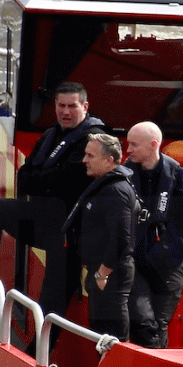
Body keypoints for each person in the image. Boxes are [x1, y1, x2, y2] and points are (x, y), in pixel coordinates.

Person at [0, 82, 104, 322]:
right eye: (61, 106)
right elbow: (24, 177)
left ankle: (40, 344)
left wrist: (41, 178)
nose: (65, 112)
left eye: (72, 106)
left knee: (54, 295)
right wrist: (44, 179)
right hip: (42, 216)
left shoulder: (93, 140)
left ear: (85, 107)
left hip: (71, 228)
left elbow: (68, 181)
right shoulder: (50, 135)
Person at [124, 121, 183, 348]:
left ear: (153, 145)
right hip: (134, 262)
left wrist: (173, 251)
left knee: (159, 323)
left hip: (168, 263)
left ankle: (154, 365)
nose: (128, 150)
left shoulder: (178, 177)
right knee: (142, 320)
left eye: (134, 145)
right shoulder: (124, 176)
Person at [63, 133, 137, 340]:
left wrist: (102, 274)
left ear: (108, 160)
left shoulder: (115, 191)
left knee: (110, 340)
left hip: (110, 276)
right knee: (101, 337)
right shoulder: (105, 185)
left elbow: (122, 237)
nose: (84, 160)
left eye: (90, 156)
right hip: (101, 272)